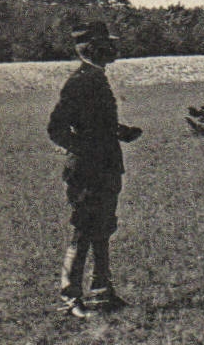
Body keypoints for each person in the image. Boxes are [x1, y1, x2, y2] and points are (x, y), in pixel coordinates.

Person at [47, 20, 142, 318]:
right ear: (94, 49)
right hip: (89, 170)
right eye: (108, 44)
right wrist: (86, 149)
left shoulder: (96, 78)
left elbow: (95, 123)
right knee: (84, 230)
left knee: (102, 229)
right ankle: (69, 298)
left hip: (105, 166)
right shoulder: (81, 81)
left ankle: (102, 293)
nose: (114, 48)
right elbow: (57, 128)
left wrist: (119, 132)